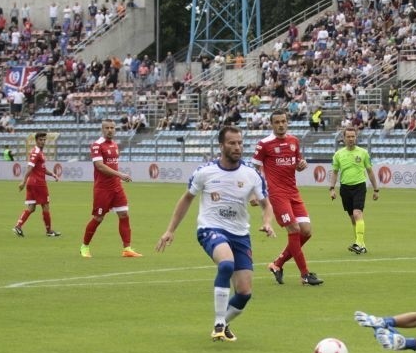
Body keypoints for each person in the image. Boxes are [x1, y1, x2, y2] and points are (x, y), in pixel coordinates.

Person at [156, 126, 276, 341]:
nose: (237, 147)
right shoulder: (205, 172)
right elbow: (187, 198)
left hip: (240, 234)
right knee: (226, 264)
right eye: (232, 143)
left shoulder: (252, 174)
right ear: (221, 145)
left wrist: (267, 222)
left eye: (240, 142)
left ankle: (225, 323)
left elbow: (267, 205)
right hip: (210, 228)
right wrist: (170, 230)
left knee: (244, 292)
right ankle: (219, 322)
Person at [252, 109, 323, 286]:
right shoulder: (264, 144)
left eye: (283, 121)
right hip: (277, 194)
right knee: (294, 229)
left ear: (287, 122)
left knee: (306, 232)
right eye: (277, 122)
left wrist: (301, 165)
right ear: (271, 124)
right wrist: (254, 193)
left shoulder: (294, 141)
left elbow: (297, 162)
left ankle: (277, 264)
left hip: (293, 192)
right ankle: (305, 275)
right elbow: (254, 171)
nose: (281, 125)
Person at [80, 119, 142, 258]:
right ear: (102, 129)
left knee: (124, 215)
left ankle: (127, 248)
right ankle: (84, 246)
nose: (110, 130)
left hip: (116, 187)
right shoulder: (97, 145)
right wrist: (120, 175)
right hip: (103, 188)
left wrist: (118, 178)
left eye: (112, 128)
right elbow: (100, 166)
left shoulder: (114, 145)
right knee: (98, 218)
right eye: (107, 127)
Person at [329, 127, 379, 254]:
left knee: (357, 214)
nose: (351, 139)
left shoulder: (363, 153)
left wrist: (376, 189)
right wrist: (331, 188)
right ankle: (361, 244)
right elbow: (334, 172)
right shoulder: (338, 155)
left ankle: (358, 244)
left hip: (359, 186)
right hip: (345, 188)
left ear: (356, 137)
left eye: (353, 136)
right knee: (353, 218)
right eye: (348, 137)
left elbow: (370, 171)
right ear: (344, 138)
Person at [12, 132, 61, 237]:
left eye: (44, 140)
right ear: (36, 140)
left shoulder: (40, 153)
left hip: (33, 183)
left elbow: (42, 169)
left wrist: (52, 174)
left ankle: (18, 226)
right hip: (38, 184)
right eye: (41, 140)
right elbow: (30, 167)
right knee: (46, 206)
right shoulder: (36, 152)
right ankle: (49, 231)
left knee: (31, 207)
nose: (43, 142)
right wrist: (23, 181)